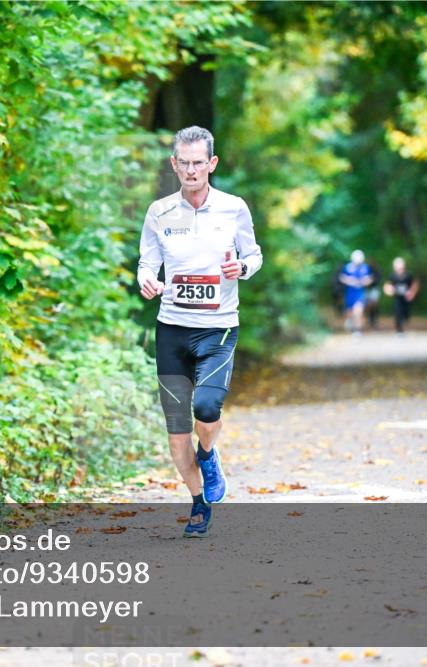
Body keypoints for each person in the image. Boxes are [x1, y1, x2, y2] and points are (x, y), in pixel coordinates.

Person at [137, 126, 262, 538]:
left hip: (217, 329)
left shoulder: (233, 208)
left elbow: (255, 254)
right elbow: (146, 263)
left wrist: (241, 268)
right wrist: (148, 281)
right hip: (172, 329)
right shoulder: (159, 212)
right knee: (176, 437)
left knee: (206, 409)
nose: (191, 171)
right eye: (183, 163)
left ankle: (208, 455)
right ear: (174, 164)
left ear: (212, 164)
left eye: (198, 163)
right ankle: (198, 503)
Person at [338, 250, 374, 336]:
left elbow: (370, 278)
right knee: (350, 312)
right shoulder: (347, 267)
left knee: (358, 311)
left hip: (360, 293)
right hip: (350, 293)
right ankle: (350, 321)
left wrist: (364, 281)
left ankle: (357, 330)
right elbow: (342, 277)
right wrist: (350, 281)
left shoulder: (365, 268)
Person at [383, 256, 420, 333]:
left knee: (406, 314)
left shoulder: (408, 275)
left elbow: (414, 284)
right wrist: (389, 291)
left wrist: (412, 293)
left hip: (406, 298)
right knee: (397, 312)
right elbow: (387, 285)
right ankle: (399, 330)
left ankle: (405, 320)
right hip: (397, 298)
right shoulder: (392, 276)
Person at [364, 262, 382, 329]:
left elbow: (378, 279)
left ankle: (374, 320)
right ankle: (370, 319)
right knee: (368, 306)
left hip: (374, 288)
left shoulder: (377, 270)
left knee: (374, 304)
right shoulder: (365, 269)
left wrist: (371, 280)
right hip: (367, 289)